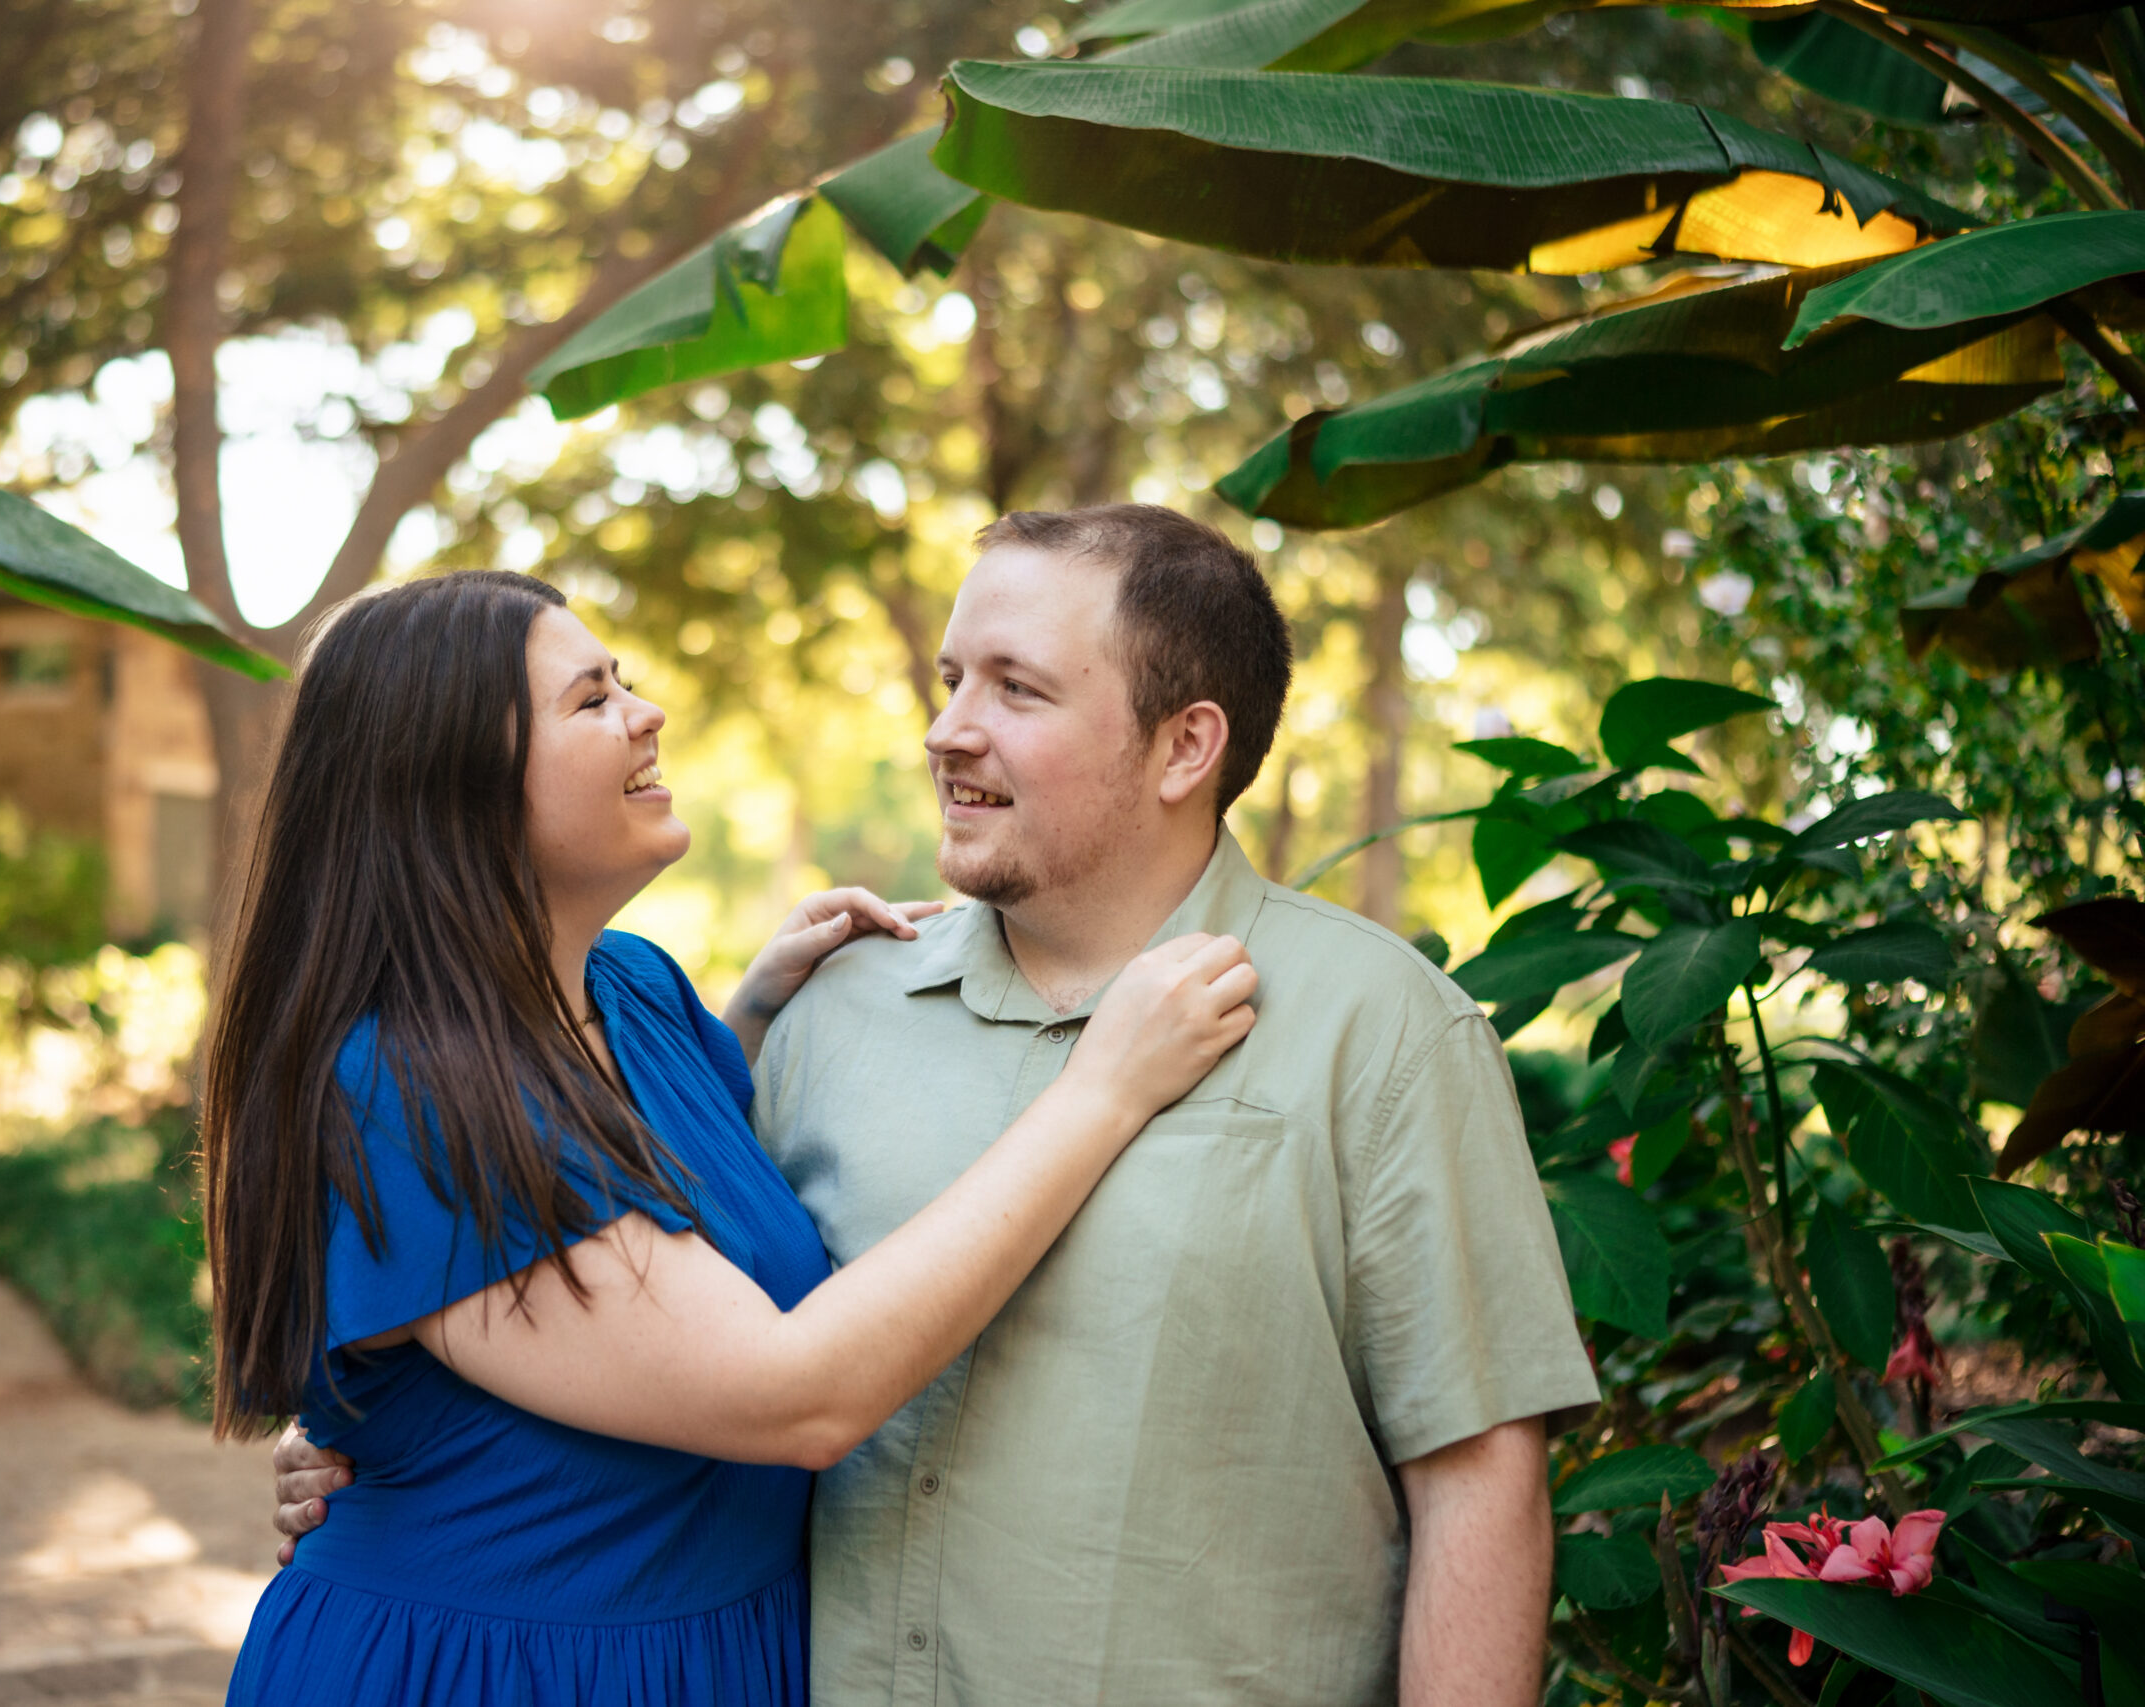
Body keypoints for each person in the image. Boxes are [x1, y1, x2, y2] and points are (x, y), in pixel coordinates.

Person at [276, 507, 1601, 1705]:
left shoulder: (1378, 1028)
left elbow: (1480, 1470)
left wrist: (409, 1407)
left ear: (1187, 742)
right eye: (951, 677)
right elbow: (735, 1362)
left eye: (1016, 687)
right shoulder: (833, 1014)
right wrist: (385, 1422)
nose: (947, 726)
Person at [203, 567, 1259, 1707]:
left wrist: (748, 1015)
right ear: (454, 780)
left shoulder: (637, 993)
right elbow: (790, 1394)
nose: (646, 714)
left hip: (706, 1652)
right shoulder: (403, 1089)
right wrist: (1101, 1091)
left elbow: (640, 1196)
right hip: (500, 1671)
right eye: (593, 699)